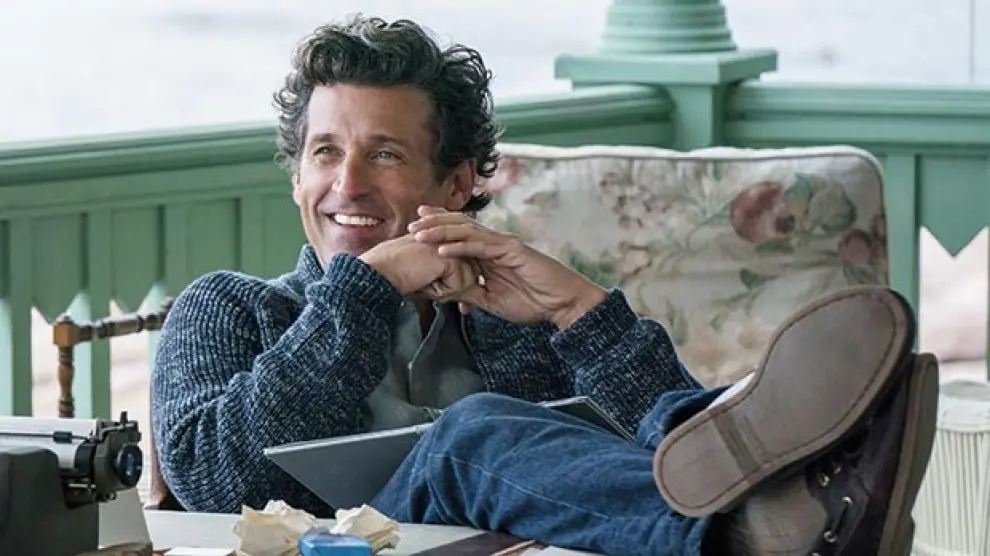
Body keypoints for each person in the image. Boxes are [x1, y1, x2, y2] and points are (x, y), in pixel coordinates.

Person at [150, 15, 938, 555]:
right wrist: (362, 291)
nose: (347, 183)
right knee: (468, 438)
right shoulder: (228, 308)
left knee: (583, 445)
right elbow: (218, 486)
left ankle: (774, 510)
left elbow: (677, 461)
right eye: (325, 152)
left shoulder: (508, 321)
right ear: (297, 176)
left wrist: (578, 310)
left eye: (384, 154)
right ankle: (750, 531)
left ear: (456, 182)